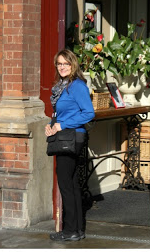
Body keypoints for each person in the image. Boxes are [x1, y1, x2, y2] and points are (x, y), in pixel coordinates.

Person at [45, 49, 95, 242]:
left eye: (66, 63)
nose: (62, 67)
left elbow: (88, 113)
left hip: (71, 138)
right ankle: (75, 229)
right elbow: (60, 115)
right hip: (63, 136)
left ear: (73, 64)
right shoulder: (61, 87)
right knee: (72, 185)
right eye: (59, 64)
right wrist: (51, 127)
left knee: (66, 185)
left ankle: (70, 230)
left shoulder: (77, 86)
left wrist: (62, 125)